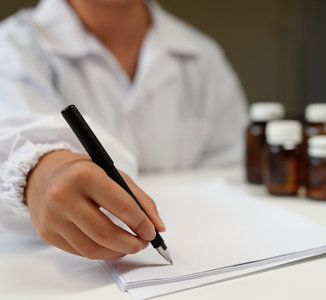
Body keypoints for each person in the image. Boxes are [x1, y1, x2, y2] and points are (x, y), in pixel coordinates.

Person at [0, 0, 247, 260]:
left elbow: (232, 172)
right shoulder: (11, 48)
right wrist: (37, 172)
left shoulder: (203, 56)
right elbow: (8, 137)